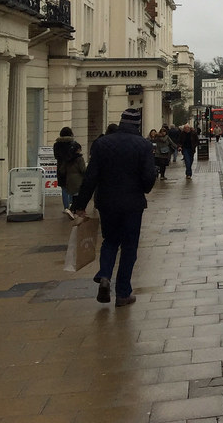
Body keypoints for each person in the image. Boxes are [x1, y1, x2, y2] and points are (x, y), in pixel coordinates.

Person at [71, 107, 156, 308]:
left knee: (109, 242)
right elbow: (149, 176)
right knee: (129, 247)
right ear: (137, 124)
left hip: (107, 202)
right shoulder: (143, 145)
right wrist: (144, 189)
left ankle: (105, 276)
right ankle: (123, 293)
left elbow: (90, 177)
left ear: (120, 122)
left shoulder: (101, 144)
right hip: (132, 204)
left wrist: (80, 205)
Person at [54, 127, 86, 219]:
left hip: (61, 168)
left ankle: (66, 207)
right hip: (72, 169)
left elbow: (56, 156)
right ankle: (72, 205)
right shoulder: (74, 144)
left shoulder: (56, 145)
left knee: (64, 188)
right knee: (74, 189)